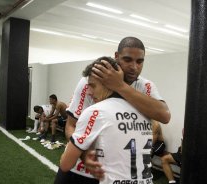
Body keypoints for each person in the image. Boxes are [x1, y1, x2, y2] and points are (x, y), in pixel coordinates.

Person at [54, 37, 171, 183]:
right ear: (116, 57)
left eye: (139, 61)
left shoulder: (145, 86)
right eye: (127, 60)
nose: (134, 67)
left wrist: (120, 86)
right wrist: (84, 154)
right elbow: (71, 125)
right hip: (80, 171)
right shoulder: (90, 83)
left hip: (116, 176)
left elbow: (164, 115)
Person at [60, 56, 154, 184]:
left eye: (92, 86)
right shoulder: (145, 112)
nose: (88, 92)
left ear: (108, 83)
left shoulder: (96, 111)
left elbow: (65, 164)